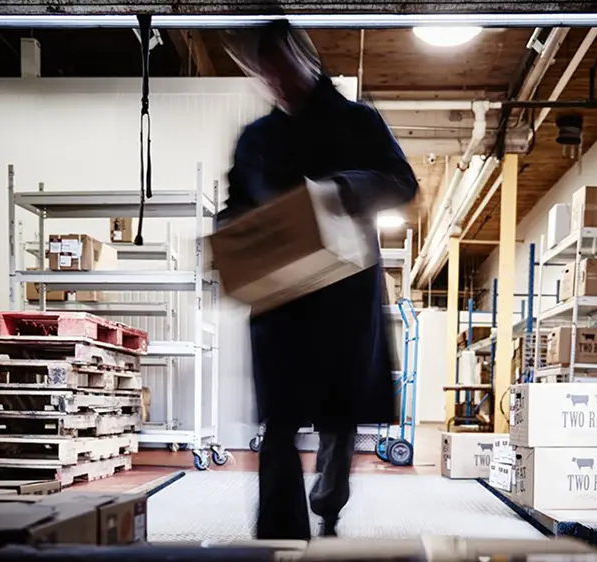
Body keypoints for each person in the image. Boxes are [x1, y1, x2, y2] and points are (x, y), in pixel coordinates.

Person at [218, 20, 418, 540]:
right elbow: (235, 206)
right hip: (280, 299)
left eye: (282, 64)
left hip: (343, 296)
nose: (276, 79)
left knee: (339, 412)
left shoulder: (358, 122)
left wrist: (340, 191)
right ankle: (281, 536)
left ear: (305, 57)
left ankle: (328, 508)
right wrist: (229, 238)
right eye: (265, 73)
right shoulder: (256, 140)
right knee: (279, 421)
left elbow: (402, 183)